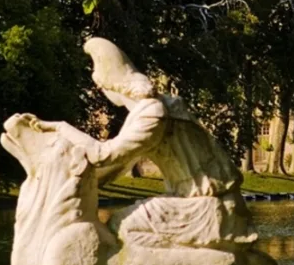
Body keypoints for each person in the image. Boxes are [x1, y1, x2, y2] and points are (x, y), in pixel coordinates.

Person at [32, 38, 256, 250]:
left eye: (101, 86)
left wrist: (61, 127)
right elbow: (116, 166)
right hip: (201, 200)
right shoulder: (160, 106)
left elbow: (103, 155)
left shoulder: (151, 114)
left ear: (112, 84)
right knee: (123, 222)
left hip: (207, 206)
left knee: (120, 226)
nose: (102, 92)